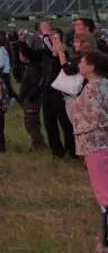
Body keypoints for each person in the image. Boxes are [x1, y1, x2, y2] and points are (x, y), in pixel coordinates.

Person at [73, 51, 108, 252]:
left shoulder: (94, 89)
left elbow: (100, 118)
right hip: (99, 145)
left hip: (96, 145)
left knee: (104, 197)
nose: (79, 64)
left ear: (92, 67)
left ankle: (104, 244)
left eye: (82, 62)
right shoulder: (104, 84)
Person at [40, 21, 76, 158]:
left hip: (60, 94)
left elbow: (54, 53)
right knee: (49, 123)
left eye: (55, 38)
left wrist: (46, 36)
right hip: (47, 92)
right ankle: (57, 151)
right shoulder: (47, 54)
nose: (52, 40)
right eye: (51, 38)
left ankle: (72, 150)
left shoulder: (64, 54)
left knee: (66, 124)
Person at [17, 38, 46, 150]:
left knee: (32, 123)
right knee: (30, 122)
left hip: (32, 100)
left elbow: (35, 86)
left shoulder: (33, 69)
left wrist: (28, 97)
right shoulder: (30, 67)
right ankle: (37, 143)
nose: (20, 56)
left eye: (21, 54)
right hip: (29, 99)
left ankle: (38, 144)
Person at [0, 35, 18, 101]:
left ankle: (16, 99)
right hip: (6, 73)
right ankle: (17, 99)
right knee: (8, 89)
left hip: (3, 73)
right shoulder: (3, 49)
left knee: (6, 89)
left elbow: (1, 64)